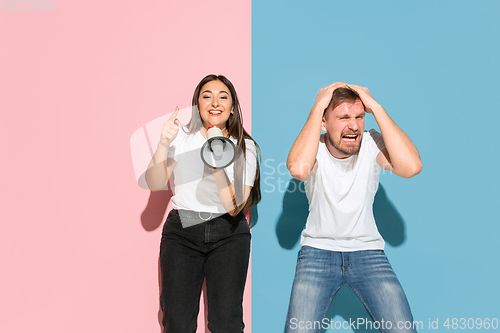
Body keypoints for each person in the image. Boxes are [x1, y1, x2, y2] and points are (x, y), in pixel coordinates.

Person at [285, 82, 422, 333]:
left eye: (359, 116)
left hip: (368, 252)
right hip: (317, 252)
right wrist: (318, 106)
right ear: (324, 122)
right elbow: (299, 169)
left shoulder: (371, 143)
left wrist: (376, 107)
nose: (354, 125)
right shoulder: (313, 148)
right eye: (344, 117)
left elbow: (411, 166)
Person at [145, 74, 261, 333]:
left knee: (226, 323)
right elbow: (155, 182)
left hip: (228, 234)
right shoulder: (181, 138)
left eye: (223, 96)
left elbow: (234, 206)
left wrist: (216, 153)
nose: (214, 102)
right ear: (197, 104)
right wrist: (164, 142)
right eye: (206, 96)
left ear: (232, 107)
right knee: (177, 322)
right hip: (183, 231)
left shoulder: (244, 147)